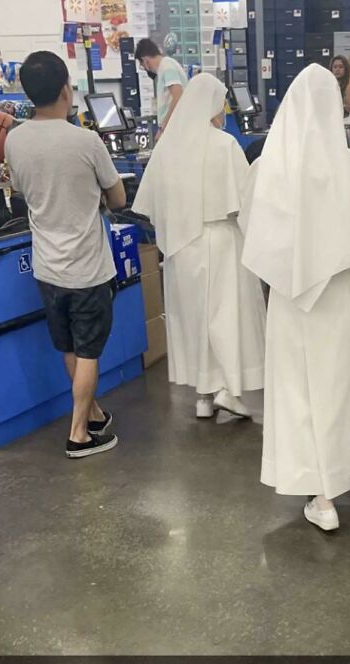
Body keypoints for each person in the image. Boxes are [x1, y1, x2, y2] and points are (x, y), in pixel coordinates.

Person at [240, 65, 350, 533]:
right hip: (346, 294)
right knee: (339, 388)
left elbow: (251, 232)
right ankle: (330, 488)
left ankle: (312, 486)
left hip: (290, 298)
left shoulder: (264, 169)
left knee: (295, 390)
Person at [6, 51, 126, 459]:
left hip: (47, 266)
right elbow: (118, 195)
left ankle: (91, 413)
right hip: (87, 268)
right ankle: (79, 434)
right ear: (64, 90)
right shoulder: (85, 140)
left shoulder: (13, 138)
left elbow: (23, 192)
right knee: (90, 350)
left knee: (70, 347)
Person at [133, 73, 265, 420]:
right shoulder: (224, 145)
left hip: (179, 248)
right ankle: (228, 390)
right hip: (220, 240)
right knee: (225, 317)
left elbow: (149, 205)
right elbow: (244, 201)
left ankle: (203, 397)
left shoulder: (167, 149)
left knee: (192, 319)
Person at [134, 39, 188, 135]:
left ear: (145, 60)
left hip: (174, 127)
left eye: (142, 65)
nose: (146, 69)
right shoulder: (166, 65)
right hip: (174, 126)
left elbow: (178, 96)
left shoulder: (166, 66)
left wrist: (163, 127)